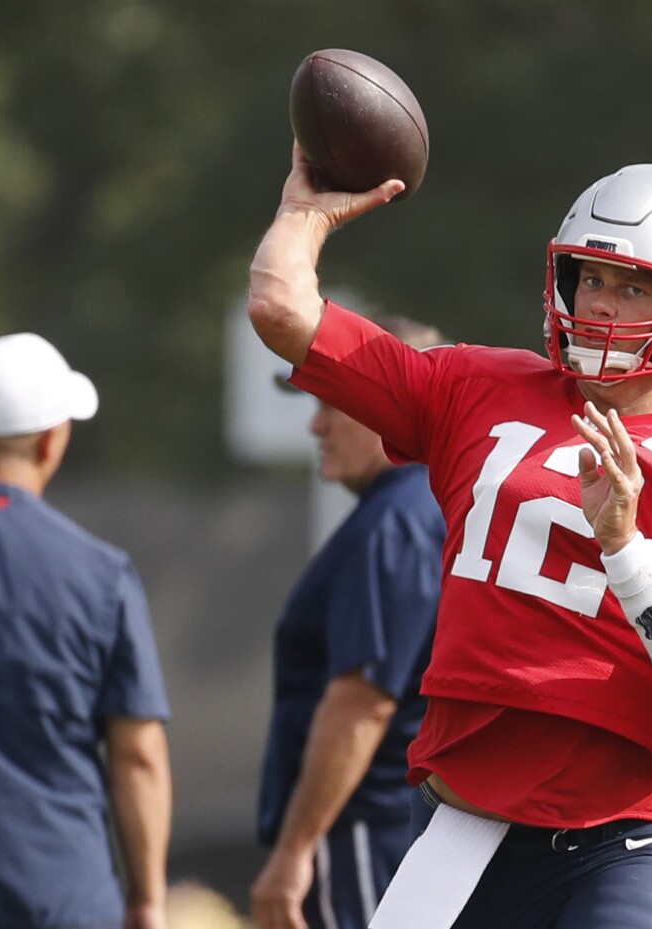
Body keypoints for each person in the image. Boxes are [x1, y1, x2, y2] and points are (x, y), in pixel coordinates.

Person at [245, 149, 652, 929]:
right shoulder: (474, 387)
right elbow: (282, 311)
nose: (603, 302)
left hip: (619, 841)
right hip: (457, 830)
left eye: (634, 285)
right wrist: (304, 214)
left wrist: (630, 552)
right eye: (591, 277)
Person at [0, 333, 173, 929]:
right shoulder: (100, 575)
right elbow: (139, 755)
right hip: (60, 898)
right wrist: (148, 898)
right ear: (52, 440)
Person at [251, 315, 448, 929]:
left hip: (368, 830)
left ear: (386, 404)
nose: (316, 424)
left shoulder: (398, 522)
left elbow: (362, 703)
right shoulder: (432, 504)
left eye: (332, 404)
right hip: (405, 826)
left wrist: (294, 850)